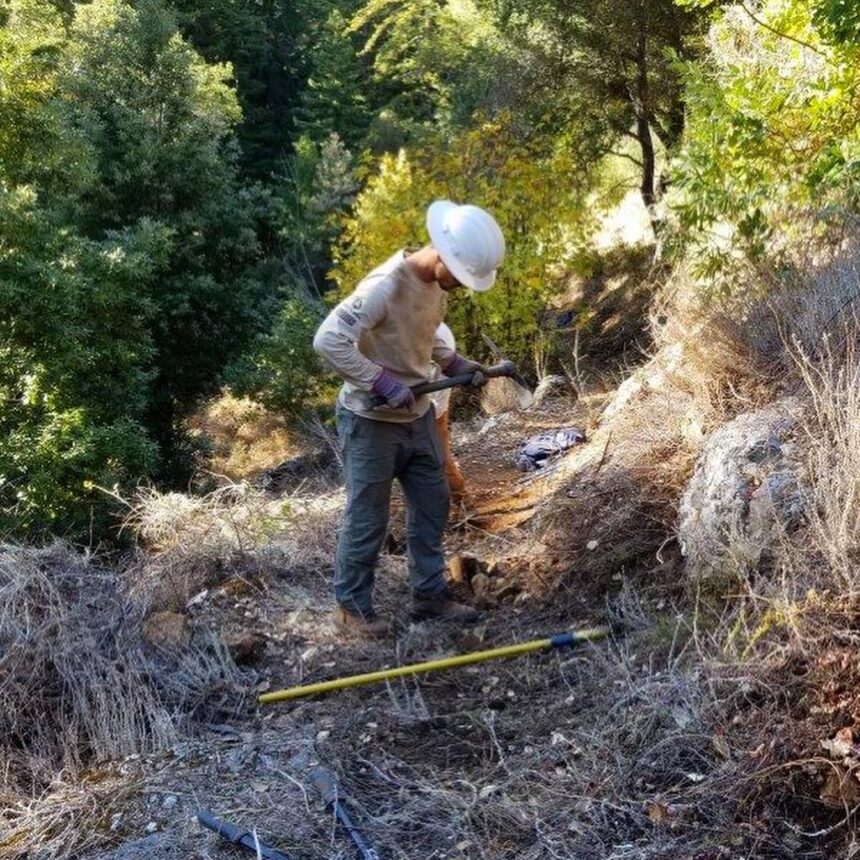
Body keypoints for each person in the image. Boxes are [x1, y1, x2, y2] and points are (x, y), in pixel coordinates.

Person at [313, 200, 505, 638]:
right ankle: (351, 610)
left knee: (433, 503)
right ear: (442, 256)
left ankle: (429, 594)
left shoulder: (434, 285)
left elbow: (425, 330)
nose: (460, 286)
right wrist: (379, 380)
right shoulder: (383, 286)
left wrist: (453, 361)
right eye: (459, 276)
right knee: (368, 518)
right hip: (371, 422)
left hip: (417, 415)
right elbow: (328, 340)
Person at [429, 323, 467, 505]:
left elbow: (437, 407)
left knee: (440, 450)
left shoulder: (440, 335)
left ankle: (460, 500)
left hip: (429, 402)